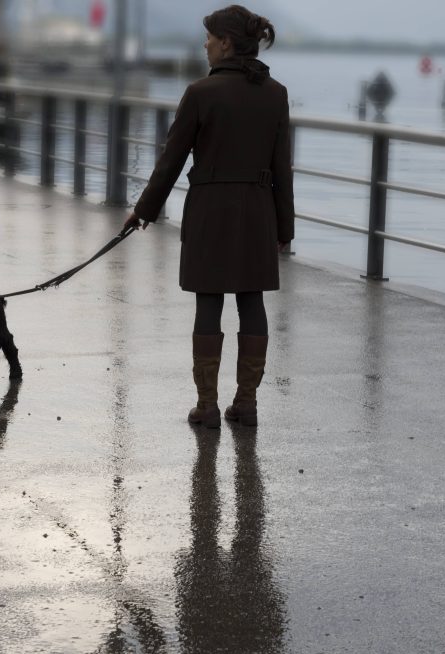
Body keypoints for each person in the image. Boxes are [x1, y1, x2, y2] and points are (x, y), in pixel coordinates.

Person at [123, 5, 294, 429]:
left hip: (210, 212)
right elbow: (282, 169)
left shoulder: (200, 93)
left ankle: (207, 405)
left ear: (227, 43)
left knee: (209, 303)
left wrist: (142, 211)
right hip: (258, 213)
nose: (205, 44)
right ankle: (247, 404)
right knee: (252, 301)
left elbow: (171, 163)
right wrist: (284, 229)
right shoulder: (275, 94)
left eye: (210, 38)